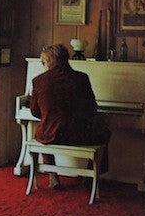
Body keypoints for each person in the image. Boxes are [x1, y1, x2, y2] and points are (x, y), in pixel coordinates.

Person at [29, 43, 110, 189]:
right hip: (78, 136)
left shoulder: (38, 80)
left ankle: (53, 175)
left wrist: (50, 115)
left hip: (51, 135)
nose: (43, 65)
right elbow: (92, 108)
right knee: (105, 131)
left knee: (42, 129)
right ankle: (90, 176)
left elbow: (34, 112)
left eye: (43, 62)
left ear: (49, 61)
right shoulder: (82, 78)